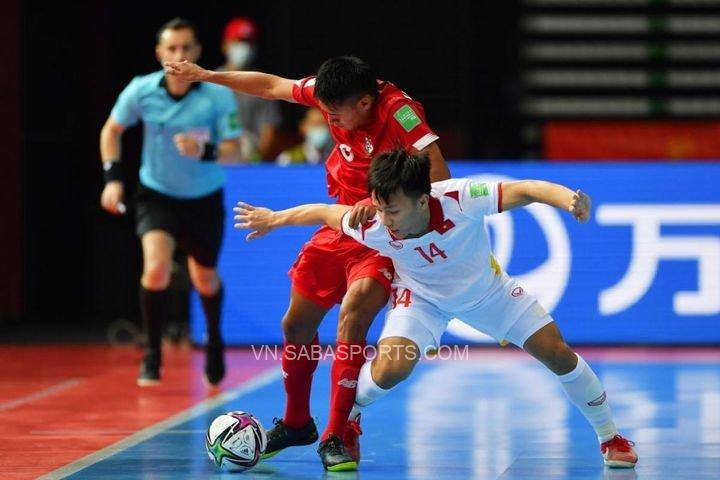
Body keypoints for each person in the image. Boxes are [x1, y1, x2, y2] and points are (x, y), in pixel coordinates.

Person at [234, 149, 639, 470]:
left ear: (422, 199)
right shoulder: (373, 222)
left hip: (488, 293)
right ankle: (352, 415)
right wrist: (274, 218)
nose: (385, 219)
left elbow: (527, 188)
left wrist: (569, 200)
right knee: (391, 368)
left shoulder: (462, 198)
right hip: (421, 299)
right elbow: (323, 212)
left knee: (558, 353)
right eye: (379, 207)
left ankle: (610, 437)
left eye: (393, 210)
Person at [164, 56, 451, 470]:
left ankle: (338, 432)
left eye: (337, 111)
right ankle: (298, 422)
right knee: (295, 325)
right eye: (325, 107)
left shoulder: (400, 113)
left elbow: (439, 176)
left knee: (352, 317)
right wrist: (207, 75)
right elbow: (270, 86)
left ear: (367, 102)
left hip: (383, 235)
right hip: (341, 223)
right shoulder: (331, 93)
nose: (328, 117)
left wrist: (385, 204)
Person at [99, 18, 242, 387]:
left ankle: (214, 341)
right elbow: (111, 131)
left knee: (204, 279)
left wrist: (204, 149)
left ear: (197, 52)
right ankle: (152, 354)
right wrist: (113, 180)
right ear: (160, 53)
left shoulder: (217, 94)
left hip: (203, 198)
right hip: (156, 193)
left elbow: (236, 150)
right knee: (156, 269)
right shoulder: (141, 90)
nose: (179, 55)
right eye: (171, 48)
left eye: (186, 48)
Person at [219, 17, 282, 161]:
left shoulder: (263, 81)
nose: (242, 47)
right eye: (237, 42)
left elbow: (269, 126)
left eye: (247, 42)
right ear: (225, 45)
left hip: (250, 155)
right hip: (218, 154)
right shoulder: (212, 81)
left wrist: (256, 157)